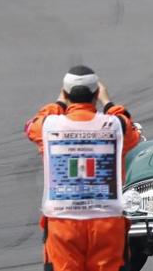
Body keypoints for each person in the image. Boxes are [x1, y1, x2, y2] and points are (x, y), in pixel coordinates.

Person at [25, 65, 141, 271]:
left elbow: (31, 126)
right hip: (107, 223)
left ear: (66, 93)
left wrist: (59, 103)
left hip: (63, 223)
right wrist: (109, 103)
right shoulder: (116, 125)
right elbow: (133, 132)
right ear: (96, 93)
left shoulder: (49, 125)